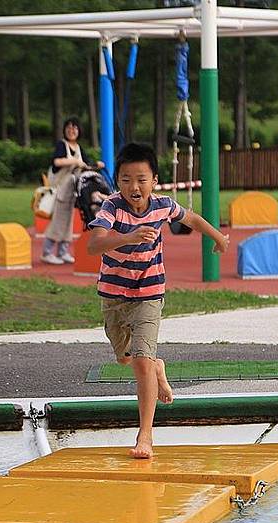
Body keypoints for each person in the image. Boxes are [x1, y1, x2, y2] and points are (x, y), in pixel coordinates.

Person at [87, 142, 230, 459]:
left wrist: (218, 237)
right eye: (125, 179)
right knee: (126, 359)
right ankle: (158, 367)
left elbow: (190, 219)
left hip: (149, 292)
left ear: (154, 180)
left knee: (140, 362)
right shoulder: (111, 208)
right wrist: (128, 237)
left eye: (140, 179)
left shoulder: (163, 205)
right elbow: (94, 245)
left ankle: (145, 436)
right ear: (118, 182)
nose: (133, 187)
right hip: (113, 295)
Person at [41, 117, 104, 265]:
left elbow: (86, 166)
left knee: (68, 221)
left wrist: (96, 166)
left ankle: (63, 251)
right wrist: (75, 161)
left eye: (74, 128)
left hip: (71, 191)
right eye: (69, 128)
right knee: (58, 221)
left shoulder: (79, 148)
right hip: (59, 190)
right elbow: (57, 162)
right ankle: (47, 252)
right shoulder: (61, 145)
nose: (72, 131)